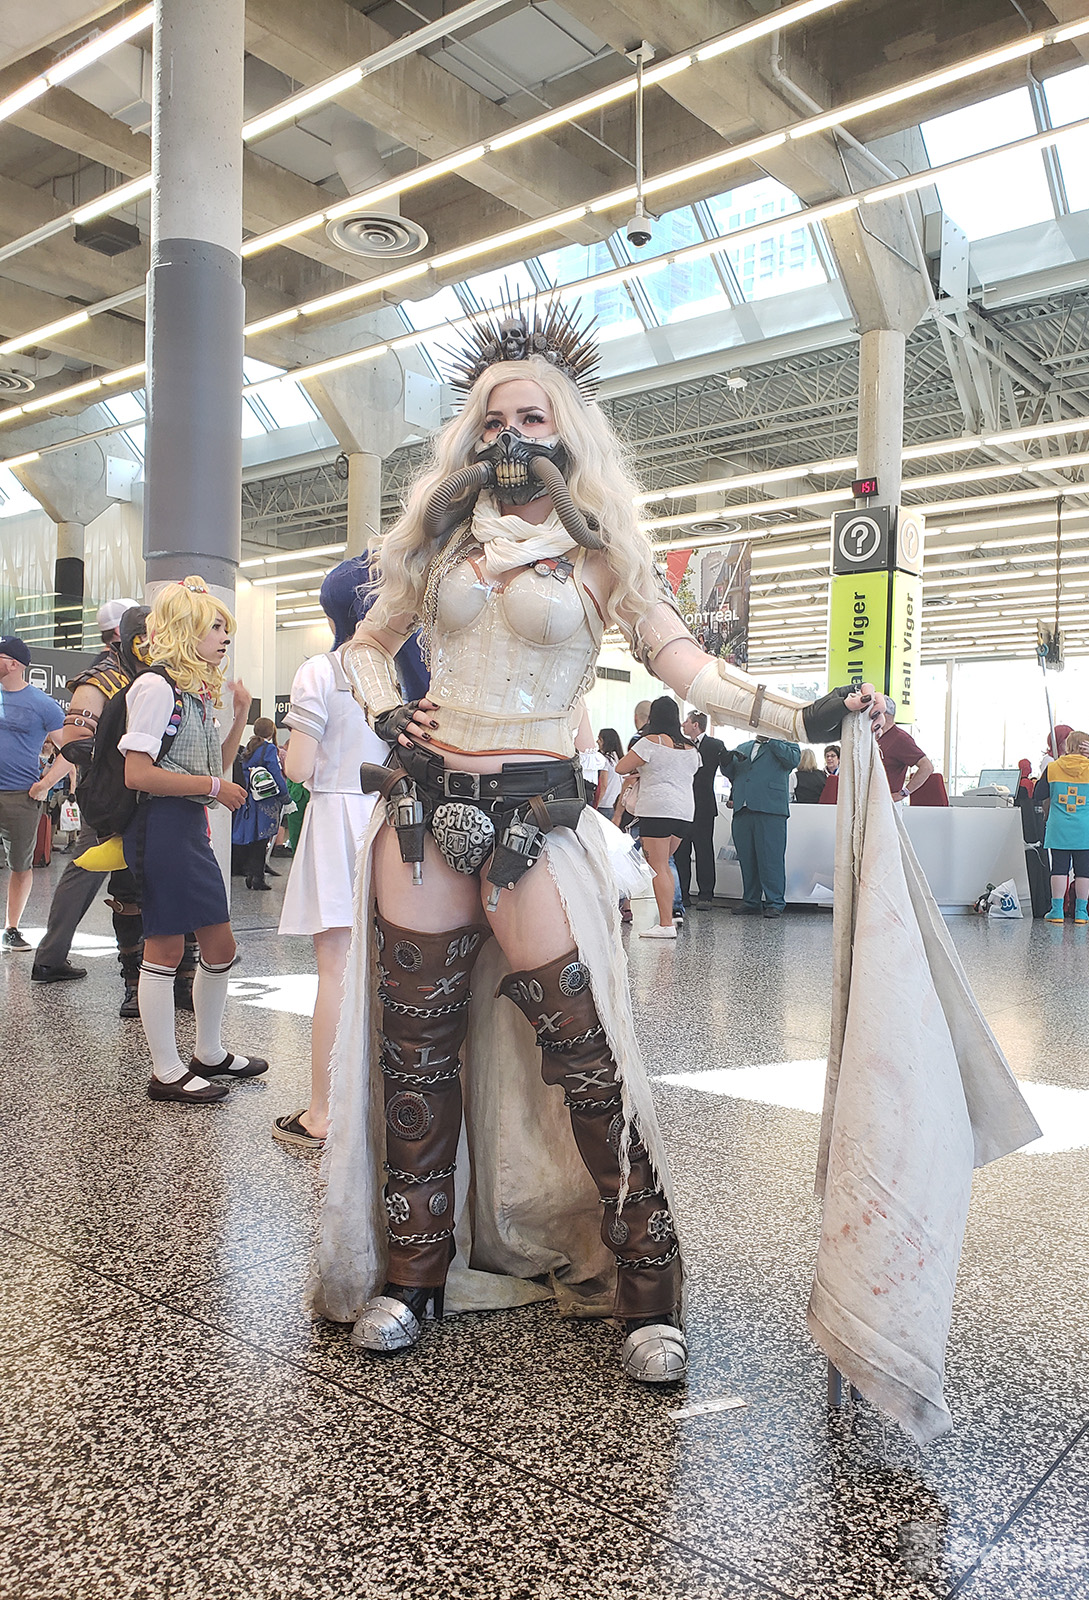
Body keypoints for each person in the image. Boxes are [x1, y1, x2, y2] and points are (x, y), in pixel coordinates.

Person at [308, 299, 885, 1385]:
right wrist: (387, 712)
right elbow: (366, 646)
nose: (510, 436)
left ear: (567, 429)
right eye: (492, 420)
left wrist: (804, 714)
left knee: (586, 1054)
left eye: (531, 416)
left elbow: (687, 667)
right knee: (414, 1051)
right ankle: (412, 1276)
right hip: (424, 810)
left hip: (536, 819)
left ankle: (645, 1289)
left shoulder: (603, 551)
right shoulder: (439, 540)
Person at [119, 577, 266, 1103]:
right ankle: (166, 1071)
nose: (225, 636)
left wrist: (241, 714)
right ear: (186, 629)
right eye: (215, 627)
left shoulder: (195, 693)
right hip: (161, 826)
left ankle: (208, 1051)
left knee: (219, 946)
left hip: (188, 828)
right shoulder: (155, 688)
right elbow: (137, 774)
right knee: (165, 946)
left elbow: (215, 766)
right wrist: (213, 788)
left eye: (226, 627)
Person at [272, 575, 391, 1154]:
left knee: (335, 970)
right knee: (390, 968)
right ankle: (383, 1101)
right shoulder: (399, 675)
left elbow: (298, 768)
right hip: (389, 820)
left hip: (335, 820)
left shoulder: (320, 670)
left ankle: (323, 1112)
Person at [29, 599, 152, 1006]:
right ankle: (54, 957)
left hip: (138, 796)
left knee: (99, 872)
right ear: (122, 633)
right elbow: (75, 741)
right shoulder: (100, 678)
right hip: (113, 799)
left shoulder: (138, 672)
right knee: (92, 871)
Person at [0, 635, 65, 952]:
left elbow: (73, 750)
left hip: (20, 796)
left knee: (20, 865)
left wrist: (46, 783)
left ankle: (11, 928)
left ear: (13, 664)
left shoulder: (42, 704)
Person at [615, 695, 699, 940]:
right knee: (666, 865)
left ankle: (665, 924)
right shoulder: (691, 748)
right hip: (684, 813)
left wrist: (641, 770)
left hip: (657, 809)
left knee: (658, 867)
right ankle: (670, 917)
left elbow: (621, 767)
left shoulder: (650, 742)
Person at [1032, 728, 1089, 924]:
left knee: (1059, 869)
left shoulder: (1053, 767)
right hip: (1085, 827)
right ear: (1087, 747)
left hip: (1059, 827)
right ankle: (1081, 912)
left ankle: (1057, 910)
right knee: (1084, 870)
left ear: (1067, 746)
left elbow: (1038, 794)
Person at [721, 734, 801, 918]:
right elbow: (732, 773)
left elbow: (792, 761)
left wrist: (772, 740)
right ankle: (751, 901)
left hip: (770, 809)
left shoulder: (787, 744)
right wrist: (724, 762)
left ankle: (775, 902)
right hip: (743, 808)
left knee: (771, 859)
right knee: (747, 858)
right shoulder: (743, 746)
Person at [673, 710, 727, 910]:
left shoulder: (715, 745)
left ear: (695, 724)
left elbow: (728, 769)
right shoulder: (679, 744)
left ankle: (706, 895)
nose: (683, 725)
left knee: (704, 850)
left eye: (686, 721)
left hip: (704, 806)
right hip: (682, 804)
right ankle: (683, 894)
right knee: (681, 851)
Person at [232, 717, 287, 890]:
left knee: (253, 836)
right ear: (271, 732)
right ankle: (258, 877)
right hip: (266, 799)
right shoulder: (269, 749)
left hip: (250, 799)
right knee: (263, 838)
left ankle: (251, 873)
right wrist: (285, 795)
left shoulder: (249, 748)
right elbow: (275, 773)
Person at [877, 699, 935, 802]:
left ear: (883, 714)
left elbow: (927, 767)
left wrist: (904, 793)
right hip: (874, 799)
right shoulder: (876, 736)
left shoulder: (900, 738)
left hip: (887, 802)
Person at [595, 727, 623, 820]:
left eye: (600, 739)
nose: (597, 741)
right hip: (615, 804)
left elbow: (603, 785)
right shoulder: (619, 759)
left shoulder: (604, 761)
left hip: (604, 805)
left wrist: (595, 806)